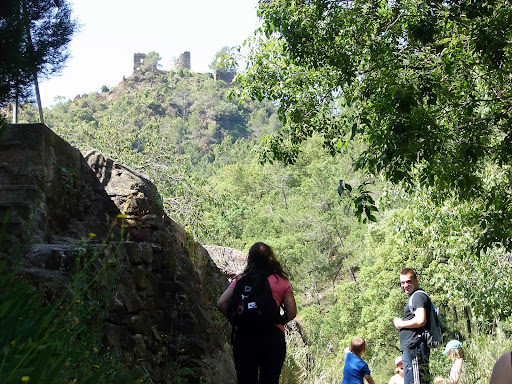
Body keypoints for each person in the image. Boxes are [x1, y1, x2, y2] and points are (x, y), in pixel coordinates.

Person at [217, 242, 297, 384]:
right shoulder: (281, 281)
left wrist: (235, 319)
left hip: (244, 337)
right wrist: (277, 321)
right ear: (270, 258)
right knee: (270, 380)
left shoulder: (242, 280)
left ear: (250, 259)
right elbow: (291, 312)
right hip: (272, 337)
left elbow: (221, 303)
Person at [393, 268, 431, 384]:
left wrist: (400, 324)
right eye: (402, 283)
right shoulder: (413, 297)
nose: (405, 285)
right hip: (412, 348)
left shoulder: (418, 296)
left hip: (415, 348)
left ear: (416, 280)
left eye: (408, 281)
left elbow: (420, 320)